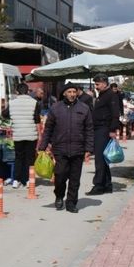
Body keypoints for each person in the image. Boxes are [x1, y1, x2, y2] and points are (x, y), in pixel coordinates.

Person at [39, 83, 93, 213]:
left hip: (78, 149)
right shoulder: (56, 108)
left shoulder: (84, 108)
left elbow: (89, 130)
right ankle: (59, 195)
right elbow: (48, 129)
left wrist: (89, 149)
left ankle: (71, 203)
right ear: (64, 93)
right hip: (60, 148)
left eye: (74, 92)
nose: (72, 94)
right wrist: (43, 146)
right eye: (69, 92)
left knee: (75, 179)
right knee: (60, 175)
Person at [87, 74, 121, 195]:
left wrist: (112, 130)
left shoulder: (111, 95)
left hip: (104, 129)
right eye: (95, 84)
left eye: (97, 84)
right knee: (103, 158)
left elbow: (115, 114)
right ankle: (107, 185)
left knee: (100, 159)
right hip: (99, 129)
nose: (96, 86)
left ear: (105, 83)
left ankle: (99, 185)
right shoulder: (101, 95)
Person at [4, 83, 42, 189]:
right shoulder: (34, 102)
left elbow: (5, 114)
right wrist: (39, 134)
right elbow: (37, 119)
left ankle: (16, 180)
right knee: (30, 158)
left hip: (18, 134)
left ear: (17, 92)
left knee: (19, 157)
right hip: (31, 134)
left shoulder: (12, 103)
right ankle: (28, 180)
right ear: (28, 91)